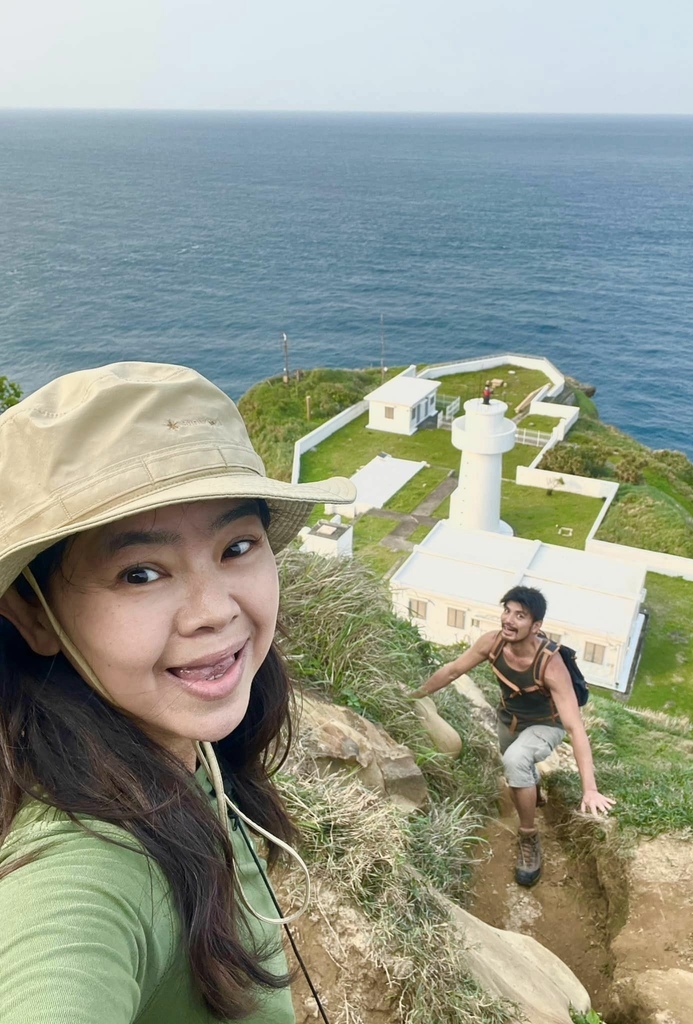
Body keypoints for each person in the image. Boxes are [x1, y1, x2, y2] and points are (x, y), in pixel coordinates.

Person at [0, 361, 355, 1023]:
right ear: (35, 614)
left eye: (237, 546)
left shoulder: (181, 749)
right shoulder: (81, 870)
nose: (212, 610)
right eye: (140, 572)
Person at [410, 585, 614, 886]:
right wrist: (414, 695)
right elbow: (453, 670)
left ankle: (529, 838)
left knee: (516, 760)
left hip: (547, 725)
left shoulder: (550, 663)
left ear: (536, 626)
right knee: (516, 765)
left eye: (520, 615)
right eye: (507, 611)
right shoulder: (491, 644)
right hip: (509, 721)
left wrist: (590, 789)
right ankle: (533, 791)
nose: (509, 620)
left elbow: (575, 727)